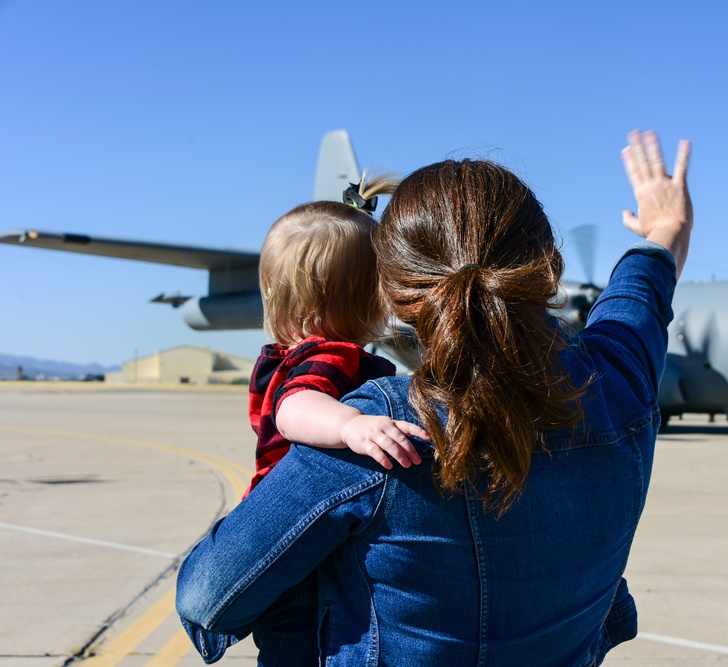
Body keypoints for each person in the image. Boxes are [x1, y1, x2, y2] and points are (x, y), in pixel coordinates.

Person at [176, 129, 693, 666]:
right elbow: (641, 295)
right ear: (550, 269)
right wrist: (665, 229)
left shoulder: (375, 429)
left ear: (396, 291)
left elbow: (206, 596)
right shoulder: (620, 380)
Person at [230, 181, 427, 666]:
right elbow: (294, 409)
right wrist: (351, 426)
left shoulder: (284, 357)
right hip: (300, 540)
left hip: (274, 527)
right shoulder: (331, 356)